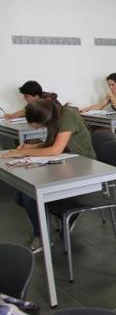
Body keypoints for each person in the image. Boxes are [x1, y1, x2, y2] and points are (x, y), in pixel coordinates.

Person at [1, 97, 96, 253]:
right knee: (20, 195)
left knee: (29, 197)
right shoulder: (56, 116)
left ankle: (42, 236)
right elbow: (52, 143)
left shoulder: (67, 115)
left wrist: (23, 152)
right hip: (65, 162)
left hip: (82, 165)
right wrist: (27, 148)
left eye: (38, 125)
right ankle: (60, 215)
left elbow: (55, 150)